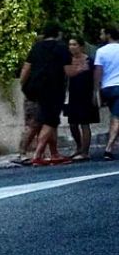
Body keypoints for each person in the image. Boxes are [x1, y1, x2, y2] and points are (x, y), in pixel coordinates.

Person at [20, 23, 71, 166]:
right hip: (53, 90)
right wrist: (81, 69)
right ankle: (37, 154)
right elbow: (68, 71)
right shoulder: (61, 48)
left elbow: (26, 68)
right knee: (49, 121)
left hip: (34, 90)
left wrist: (23, 85)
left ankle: (53, 153)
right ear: (58, 34)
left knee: (43, 121)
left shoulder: (36, 47)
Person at [63, 35, 98, 161]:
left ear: (81, 46)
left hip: (86, 94)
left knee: (84, 123)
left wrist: (95, 93)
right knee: (72, 123)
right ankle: (78, 147)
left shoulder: (90, 60)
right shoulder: (68, 61)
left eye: (74, 44)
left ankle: (85, 151)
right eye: (70, 44)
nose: (71, 47)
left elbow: (95, 78)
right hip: (73, 95)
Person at [94, 26, 119, 161]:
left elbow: (98, 71)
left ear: (109, 35)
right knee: (116, 117)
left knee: (115, 115)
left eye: (102, 33)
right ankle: (108, 148)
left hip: (107, 88)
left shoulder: (101, 52)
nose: (100, 35)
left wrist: (96, 90)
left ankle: (110, 146)